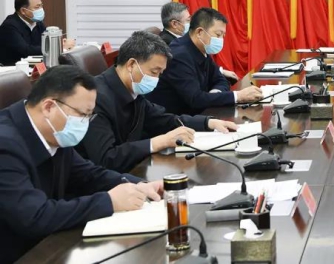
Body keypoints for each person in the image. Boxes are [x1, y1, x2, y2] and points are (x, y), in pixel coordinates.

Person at [0, 66, 163, 262]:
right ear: (49, 107)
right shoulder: (5, 145)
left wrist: (137, 185)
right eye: (82, 115)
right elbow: (34, 216)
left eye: (89, 116)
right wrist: (109, 201)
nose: (85, 123)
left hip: (45, 244)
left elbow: (88, 174)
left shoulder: (53, 132)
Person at [77, 31, 238, 173]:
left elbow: (163, 120)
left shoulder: (132, 89)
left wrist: (208, 122)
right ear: (131, 64)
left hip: (132, 171)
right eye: (154, 72)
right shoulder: (95, 99)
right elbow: (106, 158)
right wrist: (157, 142)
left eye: (160, 73)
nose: (156, 79)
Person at [148, 7, 262, 115]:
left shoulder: (201, 48)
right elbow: (195, 99)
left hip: (199, 113)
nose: (221, 40)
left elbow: (220, 79)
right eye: (218, 34)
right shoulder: (179, 55)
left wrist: (215, 94)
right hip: (176, 120)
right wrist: (238, 96)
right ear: (200, 32)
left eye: (223, 35)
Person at [160, 1, 239, 82]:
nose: (192, 23)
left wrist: (219, 73)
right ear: (174, 24)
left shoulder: (193, 41)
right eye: (188, 20)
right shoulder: (166, 44)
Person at [0, 0, 75, 66]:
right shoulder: (9, 26)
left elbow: (46, 43)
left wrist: (59, 43)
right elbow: (25, 51)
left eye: (41, 6)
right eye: (37, 7)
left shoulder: (38, 23)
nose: (41, 9)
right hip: (14, 68)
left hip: (35, 65)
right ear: (23, 11)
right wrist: (57, 48)